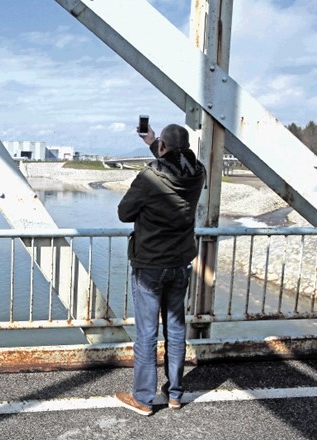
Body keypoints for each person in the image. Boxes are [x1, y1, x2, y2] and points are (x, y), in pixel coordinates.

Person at [114, 123, 205, 416]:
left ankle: (143, 398)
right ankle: (176, 393)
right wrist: (153, 142)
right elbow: (176, 160)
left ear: (164, 147)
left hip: (150, 266)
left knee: (146, 334)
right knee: (176, 330)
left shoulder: (149, 177)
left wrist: (155, 149)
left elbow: (123, 213)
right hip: (180, 264)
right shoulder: (197, 173)